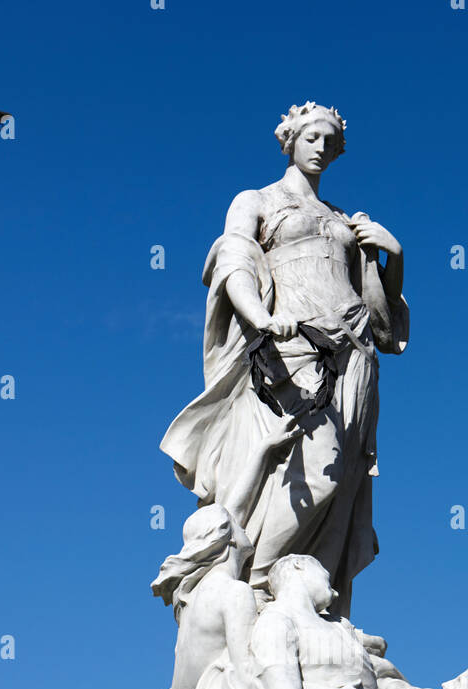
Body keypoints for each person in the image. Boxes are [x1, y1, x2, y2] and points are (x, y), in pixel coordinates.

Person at [160, 102, 409, 617]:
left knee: (343, 485)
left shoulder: (345, 219)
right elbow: (233, 259)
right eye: (312, 137)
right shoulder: (256, 200)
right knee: (310, 472)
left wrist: (395, 258)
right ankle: (251, 590)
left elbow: (384, 326)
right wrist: (259, 317)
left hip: (355, 357)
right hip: (293, 348)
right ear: (290, 139)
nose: (321, 147)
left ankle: (317, 606)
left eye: (330, 141)